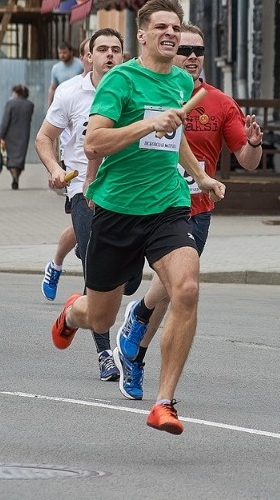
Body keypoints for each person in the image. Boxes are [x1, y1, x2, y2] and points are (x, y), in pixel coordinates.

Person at [49, 0, 225, 435]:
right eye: (161, 26)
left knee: (186, 289)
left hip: (167, 206)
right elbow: (95, 144)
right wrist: (148, 124)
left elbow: (176, 132)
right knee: (101, 317)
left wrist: (200, 176)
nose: (171, 34)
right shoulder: (120, 81)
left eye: (177, 27)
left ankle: (164, 402)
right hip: (117, 209)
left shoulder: (183, 84)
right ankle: (73, 312)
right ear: (141, 35)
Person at [111, 23, 265, 402]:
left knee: (178, 292)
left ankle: (137, 349)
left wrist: (255, 144)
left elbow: (246, 160)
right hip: (141, 205)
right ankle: (136, 321)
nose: (192, 57)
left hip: (194, 209)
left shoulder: (218, 103)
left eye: (198, 51)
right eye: (185, 50)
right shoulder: (146, 89)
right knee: (155, 292)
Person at [36, 27, 142, 382]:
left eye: (116, 49)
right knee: (98, 271)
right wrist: (54, 168)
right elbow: (44, 138)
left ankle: (74, 310)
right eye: (103, 49)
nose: (110, 55)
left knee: (129, 284)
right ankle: (104, 354)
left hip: (129, 194)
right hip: (85, 192)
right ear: (90, 57)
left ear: (124, 56)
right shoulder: (70, 92)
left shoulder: (136, 88)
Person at [40, 41, 90, 295]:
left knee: (85, 233)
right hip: (78, 175)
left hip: (114, 182)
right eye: (92, 52)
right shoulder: (68, 88)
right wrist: (56, 168)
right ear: (84, 57)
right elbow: (49, 134)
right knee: (81, 230)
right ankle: (56, 265)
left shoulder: (122, 86)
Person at [0, 84, 35, 190]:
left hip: (10, 135)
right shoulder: (30, 105)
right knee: (19, 158)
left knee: (11, 159)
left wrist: (0, 134)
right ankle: (17, 177)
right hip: (24, 135)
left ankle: (14, 177)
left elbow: (5, 121)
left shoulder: (10, 103)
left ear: (16, 93)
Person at [48, 41, 84, 105]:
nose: (62, 55)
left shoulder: (81, 64)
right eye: (60, 53)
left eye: (64, 52)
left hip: (78, 100)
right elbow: (52, 88)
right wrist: (49, 106)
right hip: (62, 101)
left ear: (71, 52)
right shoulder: (55, 68)